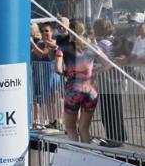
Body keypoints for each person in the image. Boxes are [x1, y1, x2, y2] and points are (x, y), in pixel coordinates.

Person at [54, 20, 98, 144]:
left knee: (71, 128)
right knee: (84, 128)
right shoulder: (91, 46)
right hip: (91, 89)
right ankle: (89, 156)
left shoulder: (62, 47)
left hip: (73, 89)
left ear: (70, 31)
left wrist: (66, 73)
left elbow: (57, 69)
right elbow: (106, 63)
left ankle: (77, 155)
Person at [92, 18, 125, 147]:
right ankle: (119, 137)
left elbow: (99, 58)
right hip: (115, 78)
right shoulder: (112, 41)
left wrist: (95, 71)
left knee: (107, 109)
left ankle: (113, 138)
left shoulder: (101, 44)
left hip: (106, 78)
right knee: (116, 108)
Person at [30, 22, 62, 132]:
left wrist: (32, 44)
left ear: (52, 32)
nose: (44, 33)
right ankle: (39, 121)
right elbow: (33, 56)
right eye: (43, 31)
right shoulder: (39, 43)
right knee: (38, 98)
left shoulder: (52, 43)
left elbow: (42, 54)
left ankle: (54, 121)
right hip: (39, 74)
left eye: (47, 31)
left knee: (50, 99)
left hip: (50, 74)